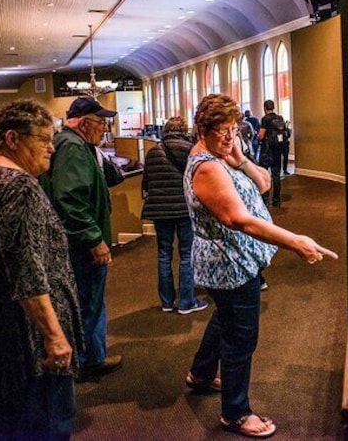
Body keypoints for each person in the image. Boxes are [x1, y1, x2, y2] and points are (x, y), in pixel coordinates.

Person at [184, 94, 337, 438]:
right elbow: (239, 219)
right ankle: (235, 412)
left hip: (237, 260)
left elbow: (265, 183)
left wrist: (240, 160)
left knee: (225, 317)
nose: (229, 136)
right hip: (230, 263)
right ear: (202, 130)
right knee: (240, 338)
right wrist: (294, 241)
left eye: (234, 129)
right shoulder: (206, 167)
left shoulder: (225, 157)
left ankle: (201, 373)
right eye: (222, 130)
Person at [0, 99, 82, 439]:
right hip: (27, 346)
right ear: (12, 138)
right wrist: (54, 337)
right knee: (43, 425)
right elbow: (27, 273)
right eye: (44, 138)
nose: (52, 147)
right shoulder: (18, 187)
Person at [42, 96, 122, 382]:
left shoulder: (76, 146)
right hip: (81, 244)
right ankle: (86, 360)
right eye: (101, 123)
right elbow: (71, 199)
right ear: (84, 123)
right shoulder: (73, 149)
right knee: (87, 301)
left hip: (79, 241)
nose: (104, 128)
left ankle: (91, 355)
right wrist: (93, 239)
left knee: (89, 300)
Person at [141, 116, 207, 314]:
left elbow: (147, 182)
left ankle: (167, 302)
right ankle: (187, 301)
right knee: (186, 254)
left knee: (164, 254)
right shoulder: (190, 150)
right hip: (183, 208)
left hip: (159, 210)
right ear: (183, 130)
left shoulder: (152, 152)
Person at [257, 100, 286, 207]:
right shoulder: (280, 118)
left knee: (264, 174)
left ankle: (265, 199)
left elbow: (261, 135)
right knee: (276, 175)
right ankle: (276, 200)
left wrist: (258, 137)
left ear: (265, 108)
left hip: (267, 151)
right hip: (277, 150)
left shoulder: (265, 119)